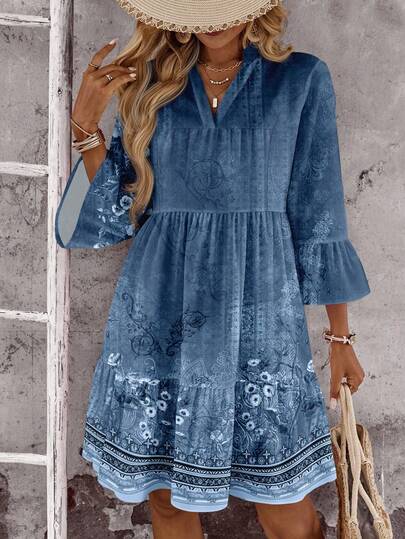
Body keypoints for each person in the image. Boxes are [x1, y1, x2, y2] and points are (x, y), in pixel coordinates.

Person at [54, 1, 371, 537]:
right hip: (160, 310)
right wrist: (85, 126)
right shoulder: (150, 84)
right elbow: (104, 217)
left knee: (284, 506)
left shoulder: (300, 80)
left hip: (261, 318)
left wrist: (341, 338)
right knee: (166, 501)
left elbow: (320, 215)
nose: (215, 16)